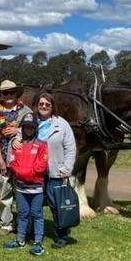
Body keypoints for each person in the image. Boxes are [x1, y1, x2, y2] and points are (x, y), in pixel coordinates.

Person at [35, 92, 78, 248]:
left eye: (47, 104)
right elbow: (21, 138)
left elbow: (70, 148)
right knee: (36, 204)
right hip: (35, 173)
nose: (44, 107)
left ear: (52, 107)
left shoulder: (62, 124)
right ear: (36, 106)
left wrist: (66, 168)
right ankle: (35, 232)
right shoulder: (31, 122)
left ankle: (61, 235)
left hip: (55, 172)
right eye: (41, 104)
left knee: (56, 205)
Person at [4, 104, 49, 253]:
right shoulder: (18, 145)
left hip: (36, 188)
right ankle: (20, 239)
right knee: (22, 214)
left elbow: (41, 166)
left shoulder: (42, 145)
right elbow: (12, 163)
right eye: (26, 127)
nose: (28, 130)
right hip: (21, 188)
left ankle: (38, 242)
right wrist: (23, 173)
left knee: (36, 214)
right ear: (22, 128)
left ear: (35, 128)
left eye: (31, 127)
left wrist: (26, 173)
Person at [0, 77, 29, 232]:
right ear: (1, 95)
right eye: (5, 93)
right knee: (5, 193)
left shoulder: (26, 112)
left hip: (21, 160)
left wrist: (18, 130)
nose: (8, 96)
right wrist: (0, 160)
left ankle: (24, 224)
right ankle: (6, 224)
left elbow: (34, 132)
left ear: (16, 94)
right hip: (1, 159)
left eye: (11, 93)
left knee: (21, 193)